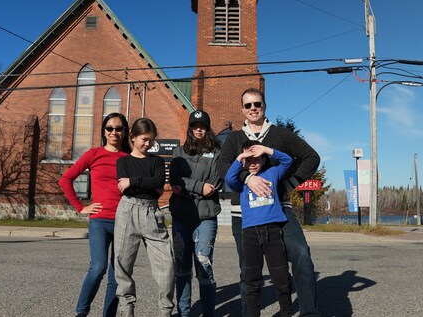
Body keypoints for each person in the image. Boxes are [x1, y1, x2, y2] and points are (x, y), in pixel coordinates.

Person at [217, 88, 321, 316]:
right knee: (248, 269)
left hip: (280, 210)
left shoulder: (280, 135)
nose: (253, 108)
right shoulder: (234, 139)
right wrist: (248, 178)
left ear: (264, 106)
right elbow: (222, 166)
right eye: (248, 105)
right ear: (242, 109)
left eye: (257, 104)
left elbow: (312, 157)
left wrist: (290, 183)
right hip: (243, 215)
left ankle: (309, 311)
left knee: (301, 255)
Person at [58, 112, 131, 317]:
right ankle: (81, 312)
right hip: (99, 220)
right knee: (98, 267)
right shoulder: (94, 153)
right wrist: (81, 207)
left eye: (118, 128)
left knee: (117, 275)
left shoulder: (129, 158)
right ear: (104, 131)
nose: (114, 132)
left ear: (125, 132)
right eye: (109, 128)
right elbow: (65, 179)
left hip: (124, 222)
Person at [225, 141, 294, 317]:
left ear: (264, 160)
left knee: (281, 277)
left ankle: (286, 312)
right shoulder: (242, 182)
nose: (253, 163)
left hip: (272, 231)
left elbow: (287, 161)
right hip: (250, 234)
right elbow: (228, 178)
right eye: (248, 160)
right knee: (252, 280)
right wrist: (240, 157)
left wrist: (266, 150)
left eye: (257, 159)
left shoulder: (272, 173)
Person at [114, 118, 175, 317]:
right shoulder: (122, 161)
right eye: (144, 139)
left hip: (151, 212)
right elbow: (125, 186)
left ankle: (165, 310)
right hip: (127, 211)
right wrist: (147, 184)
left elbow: (159, 182)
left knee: (166, 264)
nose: (147, 144)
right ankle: (126, 308)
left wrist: (133, 181)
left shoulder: (156, 161)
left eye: (151, 140)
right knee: (122, 262)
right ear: (132, 137)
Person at [169, 110, 223, 317]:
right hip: (181, 216)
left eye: (203, 126)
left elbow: (216, 182)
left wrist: (187, 188)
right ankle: (184, 312)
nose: (199, 129)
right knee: (182, 266)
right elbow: (175, 180)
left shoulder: (216, 152)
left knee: (203, 263)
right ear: (190, 128)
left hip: (206, 216)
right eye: (195, 126)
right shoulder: (178, 152)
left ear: (207, 129)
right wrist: (200, 187)